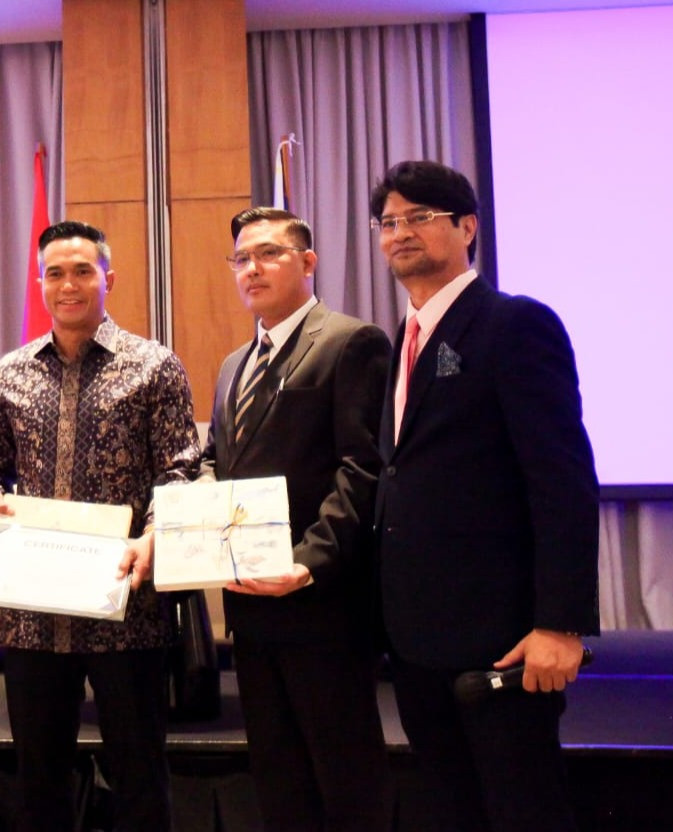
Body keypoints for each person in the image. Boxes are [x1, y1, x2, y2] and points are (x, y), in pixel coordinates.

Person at [370, 160, 599, 832]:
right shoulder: (399, 344)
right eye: (388, 222)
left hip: (501, 638)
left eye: (421, 217)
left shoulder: (515, 324)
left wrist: (560, 622)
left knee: (523, 810)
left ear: (468, 227)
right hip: (415, 640)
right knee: (449, 809)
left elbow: (561, 479)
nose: (400, 233)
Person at [0, 220, 201, 832]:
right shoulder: (11, 372)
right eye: (55, 273)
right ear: (40, 282)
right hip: (33, 613)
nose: (67, 284)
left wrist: (153, 534)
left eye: (81, 271)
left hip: (128, 606)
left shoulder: (155, 367)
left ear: (108, 277)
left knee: (139, 777)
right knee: (39, 780)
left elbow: (180, 470)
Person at [199, 206, 392, 830]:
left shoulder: (349, 341)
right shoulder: (234, 364)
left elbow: (361, 470)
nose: (251, 269)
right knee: (279, 781)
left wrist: (306, 564)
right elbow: (219, 465)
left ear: (308, 263)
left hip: (322, 604)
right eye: (240, 259)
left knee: (345, 778)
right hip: (251, 608)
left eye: (269, 254)